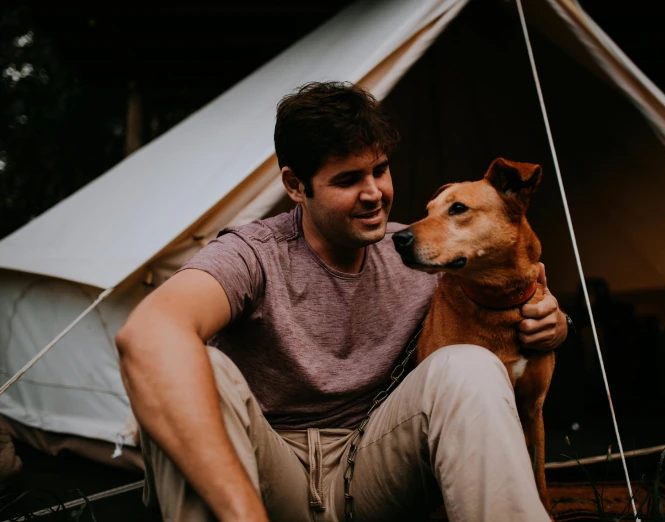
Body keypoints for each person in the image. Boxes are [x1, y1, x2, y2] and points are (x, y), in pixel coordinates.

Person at [116, 81, 569, 522]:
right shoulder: (253, 253)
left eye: (380, 170)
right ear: (296, 185)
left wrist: (555, 321)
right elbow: (147, 335)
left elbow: (505, 283)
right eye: (349, 179)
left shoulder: (420, 255)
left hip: (371, 466)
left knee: (468, 364)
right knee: (194, 368)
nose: (373, 193)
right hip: (268, 471)